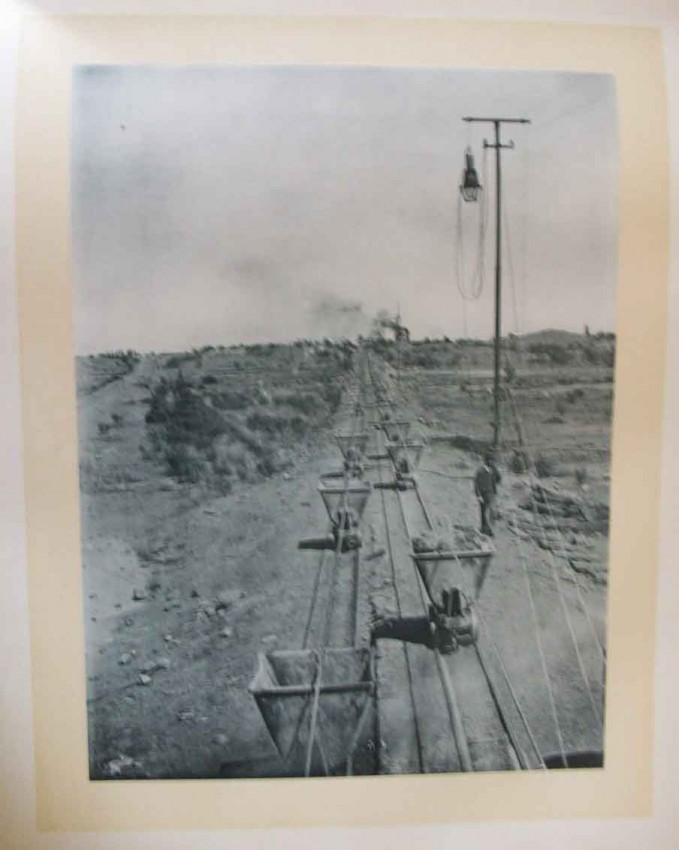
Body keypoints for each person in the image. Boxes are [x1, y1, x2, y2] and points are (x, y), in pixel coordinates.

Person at [474, 450, 501, 536]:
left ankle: (489, 529)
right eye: (491, 461)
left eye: (493, 461)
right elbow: (476, 485)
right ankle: (484, 528)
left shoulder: (492, 471)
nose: (492, 463)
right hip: (483, 494)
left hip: (491, 494)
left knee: (489, 512)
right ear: (486, 461)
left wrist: (495, 468)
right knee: (483, 511)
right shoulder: (480, 471)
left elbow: (498, 479)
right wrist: (478, 495)